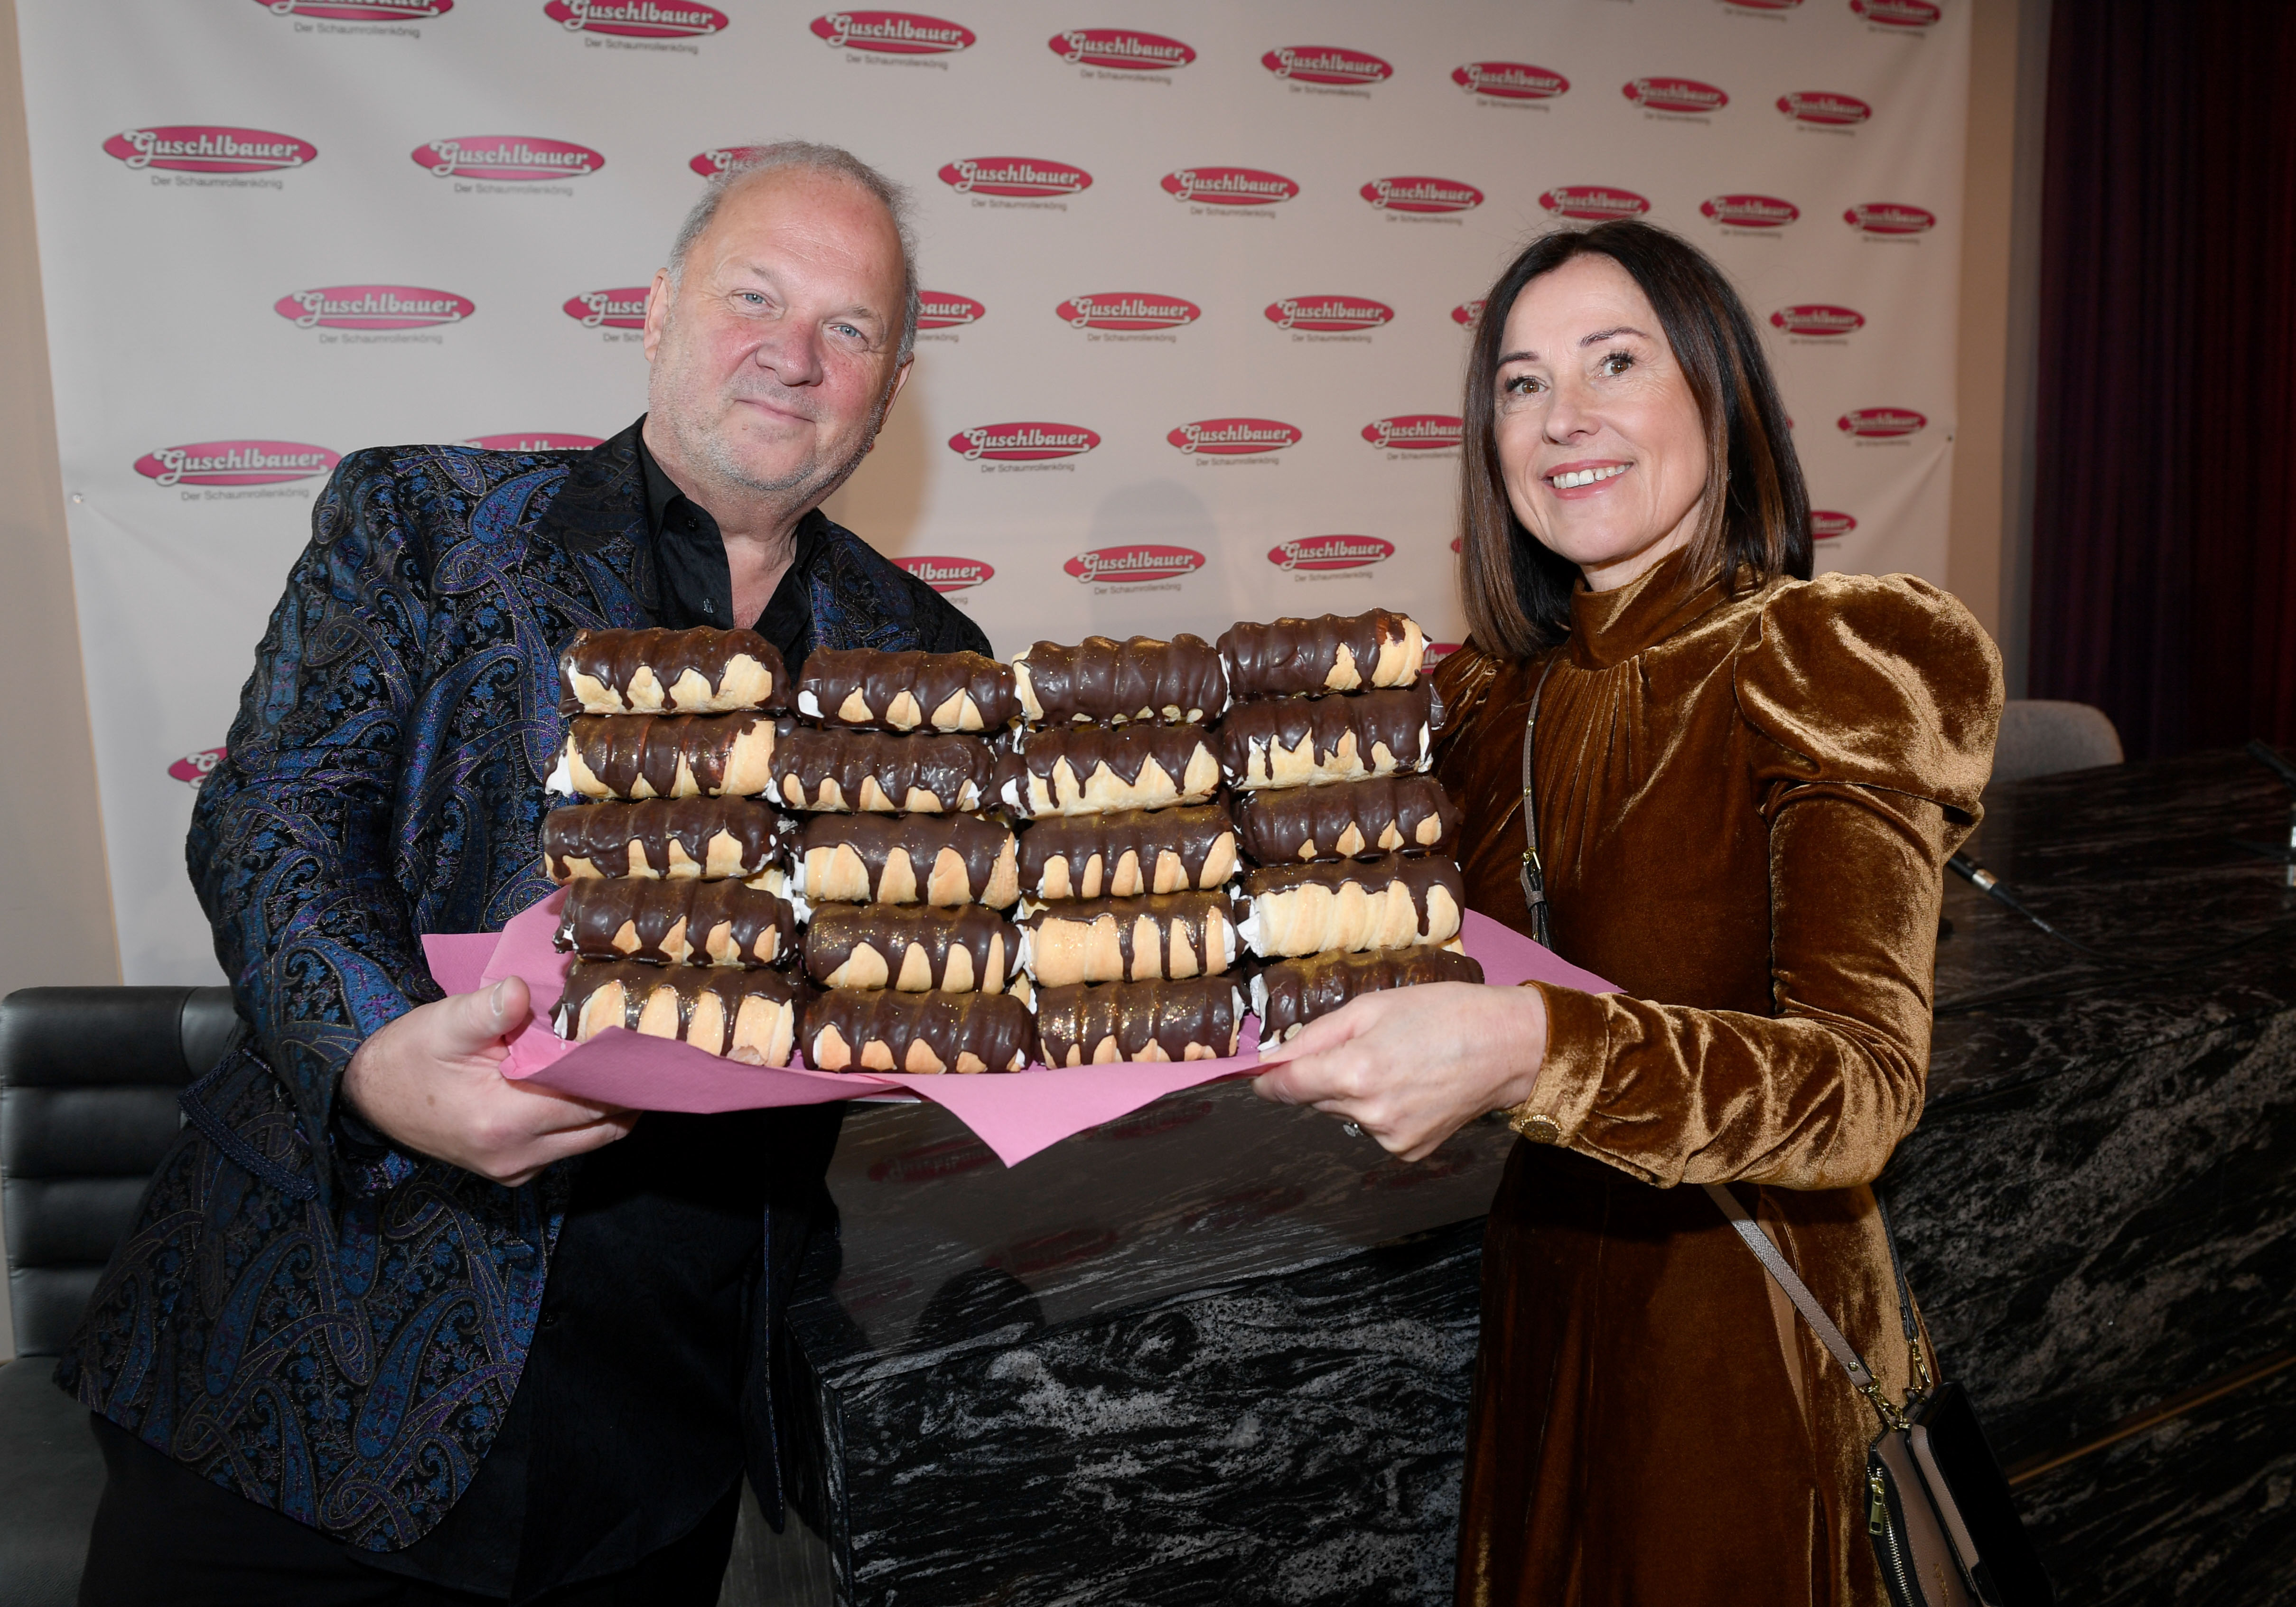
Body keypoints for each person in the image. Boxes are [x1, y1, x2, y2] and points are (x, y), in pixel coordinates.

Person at [61, 140, 986, 1605]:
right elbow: (274, 813)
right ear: (660, 310)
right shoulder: (425, 524)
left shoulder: (932, 655)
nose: (794, 354)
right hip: (305, 1386)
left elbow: (930, 966)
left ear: (892, 383)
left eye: (850, 327)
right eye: (754, 296)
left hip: (658, 1448)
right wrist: (374, 1056)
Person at [1253, 220, 2002, 1604]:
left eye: (1615, 362)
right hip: (1549, 1293)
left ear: (1719, 394)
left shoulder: (1825, 658)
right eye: (1522, 384)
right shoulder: (1488, 701)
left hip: (1747, 1340)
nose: (1563, 419)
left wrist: (1531, 1049)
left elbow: (1860, 1090)